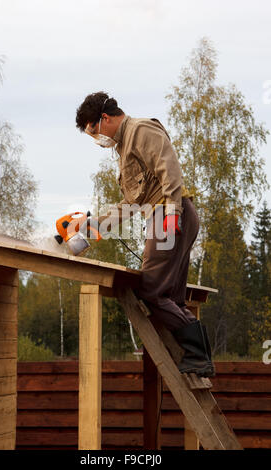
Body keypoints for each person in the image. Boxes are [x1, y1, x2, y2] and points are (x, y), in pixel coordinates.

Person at [76, 91, 215, 378]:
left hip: (168, 214)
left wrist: (172, 214)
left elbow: (170, 169)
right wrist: (94, 227)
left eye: (94, 132)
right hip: (164, 214)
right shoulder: (124, 148)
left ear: (104, 119)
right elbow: (131, 203)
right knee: (171, 296)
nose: (96, 140)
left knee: (149, 290)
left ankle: (199, 354)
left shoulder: (140, 130)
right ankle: (196, 357)